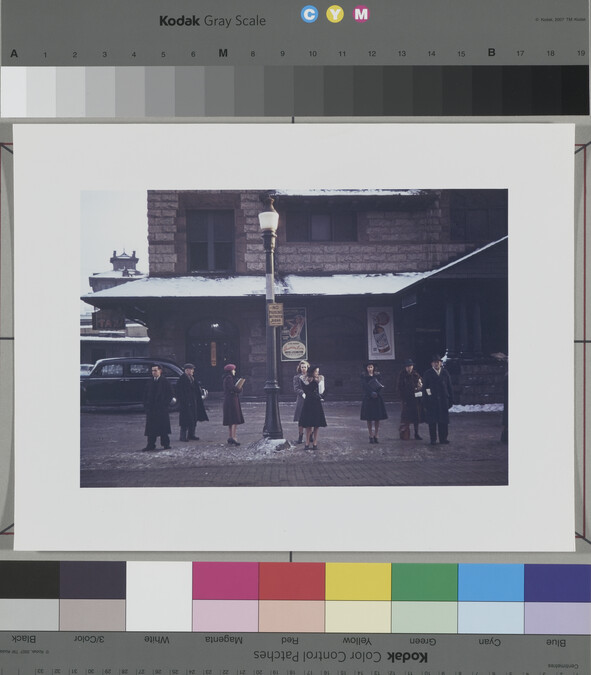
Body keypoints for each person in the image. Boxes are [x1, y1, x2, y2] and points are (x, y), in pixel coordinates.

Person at [422, 354, 453, 445]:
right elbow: (426, 388)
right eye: (435, 362)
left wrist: (450, 399)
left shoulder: (445, 373)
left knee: (443, 421)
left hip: (443, 400)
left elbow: (449, 387)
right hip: (432, 401)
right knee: (432, 421)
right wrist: (428, 397)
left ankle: (443, 438)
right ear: (432, 364)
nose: (436, 364)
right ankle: (433, 439)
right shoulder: (428, 373)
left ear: (441, 363)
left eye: (438, 362)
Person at [142, 364, 174, 451]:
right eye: (152, 371)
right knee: (151, 429)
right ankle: (150, 445)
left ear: (160, 371)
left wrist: (165, 404)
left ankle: (166, 444)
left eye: (155, 370)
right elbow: (145, 394)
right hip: (151, 409)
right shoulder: (150, 382)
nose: (153, 372)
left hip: (161, 409)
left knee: (163, 428)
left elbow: (170, 394)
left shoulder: (165, 381)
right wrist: (146, 405)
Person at [177, 362, 209, 442]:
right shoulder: (182, 379)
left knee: (193, 418)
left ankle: (191, 434)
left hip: (194, 401)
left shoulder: (192, 378)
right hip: (186, 403)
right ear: (187, 370)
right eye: (191, 370)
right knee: (185, 420)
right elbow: (179, 392)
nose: (192, 371)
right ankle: (183, 436)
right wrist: (184, 401)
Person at [298, 365, 326, 450]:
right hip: (308, 402)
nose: (317, 373)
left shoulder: (319, 380)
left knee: (316, 424)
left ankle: (315, 443)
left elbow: (321, 391)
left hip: (316, 403)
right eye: (316, 371)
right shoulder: (304, 379)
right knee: (308, 425)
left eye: (318, 371)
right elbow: (305, 390)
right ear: (312, 372)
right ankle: (307, 443)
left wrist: (321, 382)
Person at [360, 361, 388, 443]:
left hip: (377, 398)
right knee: (369, 418)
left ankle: (376, 434)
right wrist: (371, 393)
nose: (370, 369)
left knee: (377, 417)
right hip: (368, 398)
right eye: (368, 367)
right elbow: (364, 386)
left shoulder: (378, 375)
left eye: (371, 367)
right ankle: (370, 435)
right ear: (366, 368)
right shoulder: (363, 376)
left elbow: (381, 385)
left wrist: (377, 393)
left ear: (373, 368)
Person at [396, 358, 423, 440]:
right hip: (406, 400)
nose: (409, 368)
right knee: (406, 418)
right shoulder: (402, 375)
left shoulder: (416, 375)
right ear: (405, 367)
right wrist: (402, 398)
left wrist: (419, 388)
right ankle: (405, 433)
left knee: (416, 417)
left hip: (415, 399)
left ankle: (416, 433)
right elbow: (399, 388)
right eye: (408, 366)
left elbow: (421, 385)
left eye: (410, 366)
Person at [222, 363, 244, 446]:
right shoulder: (229, 378)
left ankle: (230, 436)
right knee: (235, 419)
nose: (234, 371)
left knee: (231, 419)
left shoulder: (226, 378)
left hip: (229, 400)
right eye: (233, 370)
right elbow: (233, 388)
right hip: (232, 400)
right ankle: (233, 437)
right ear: (231, 371)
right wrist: (239, 388)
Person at [292, 360, 310, 444]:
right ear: (300, 368)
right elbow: (296, 388)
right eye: (302, 367)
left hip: (310, 399)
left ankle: (310, 436)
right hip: (301, 399)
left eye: (305, 367)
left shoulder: (310, 377)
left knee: (310, 418)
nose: (303, 369)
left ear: (307, 368)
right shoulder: (296, 377)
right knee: (300, 418)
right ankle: (300, 436)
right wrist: (302, 393)